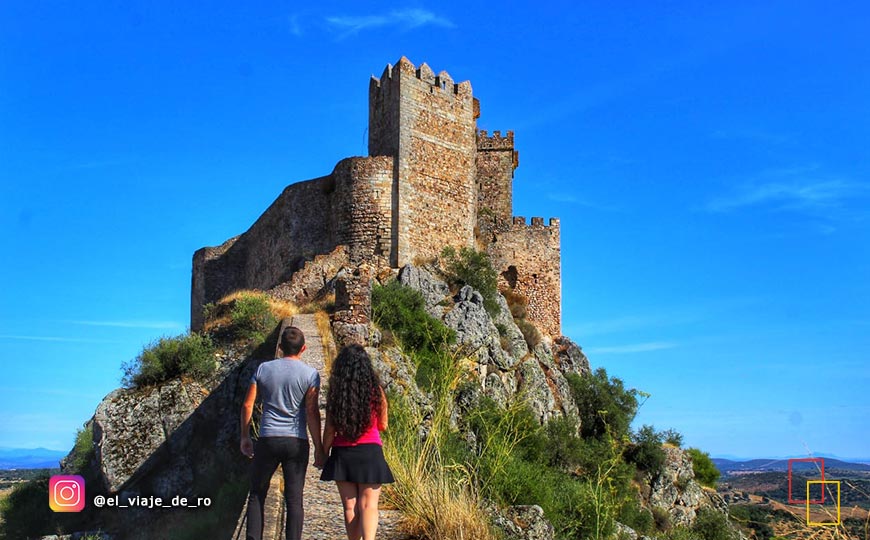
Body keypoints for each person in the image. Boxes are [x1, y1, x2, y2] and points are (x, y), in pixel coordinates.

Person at [240, 326, 326, 540]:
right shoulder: (311, 374)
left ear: (279, 348)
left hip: (268, 438)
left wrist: (245, 436)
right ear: (304, 348)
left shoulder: (263, 369)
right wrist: (319, 447)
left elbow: (247, 406)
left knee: (257, 493)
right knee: (294, 500)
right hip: (296, 442)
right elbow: (312, 412)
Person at [320, 344, 394, 540]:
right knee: (369, 505)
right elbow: (384, 425)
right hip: (370, 452)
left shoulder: (336, 394)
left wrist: (322, 453)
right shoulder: (376, 391)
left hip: (342, 454)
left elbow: (329, 430)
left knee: (350, 506)